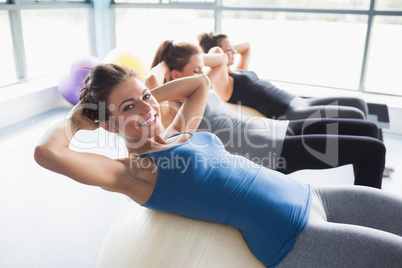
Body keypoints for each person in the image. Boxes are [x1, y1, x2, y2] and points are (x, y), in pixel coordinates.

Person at [34, 64, 402, 268]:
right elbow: (48, 154)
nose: (148, 109)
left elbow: (198, 84)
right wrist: (82, 117)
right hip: (296, 236)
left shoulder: (180, 130)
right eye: (129, 109)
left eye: (145, 98)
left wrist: (139, 97)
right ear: (110, 124)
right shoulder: (134, 173)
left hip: (314, 194)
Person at [146, 40, 386, 188]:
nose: (202, 72)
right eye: (196, 69)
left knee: (370, 130)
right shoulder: (171, 110)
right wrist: (166, 64)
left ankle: (365, 195)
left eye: (200, 68)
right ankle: (369, 211)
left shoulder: (198, 87)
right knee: (373, 151)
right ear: (175, 74)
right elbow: (150, 81)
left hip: (278, 129)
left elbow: (219, 61)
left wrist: (187, 57)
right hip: (270, 152)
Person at [197, 32, 369, 121]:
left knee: (359, 103)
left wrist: (228, 47)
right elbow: (216, 52)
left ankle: (373, 156)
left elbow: (247, 46)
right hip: (289, 112)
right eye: (228, 50)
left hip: (298, 100)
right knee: (355, 114)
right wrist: (219, 50)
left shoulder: (237, 71)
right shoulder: (223, 83)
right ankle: (365, 158)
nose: (234, 51)